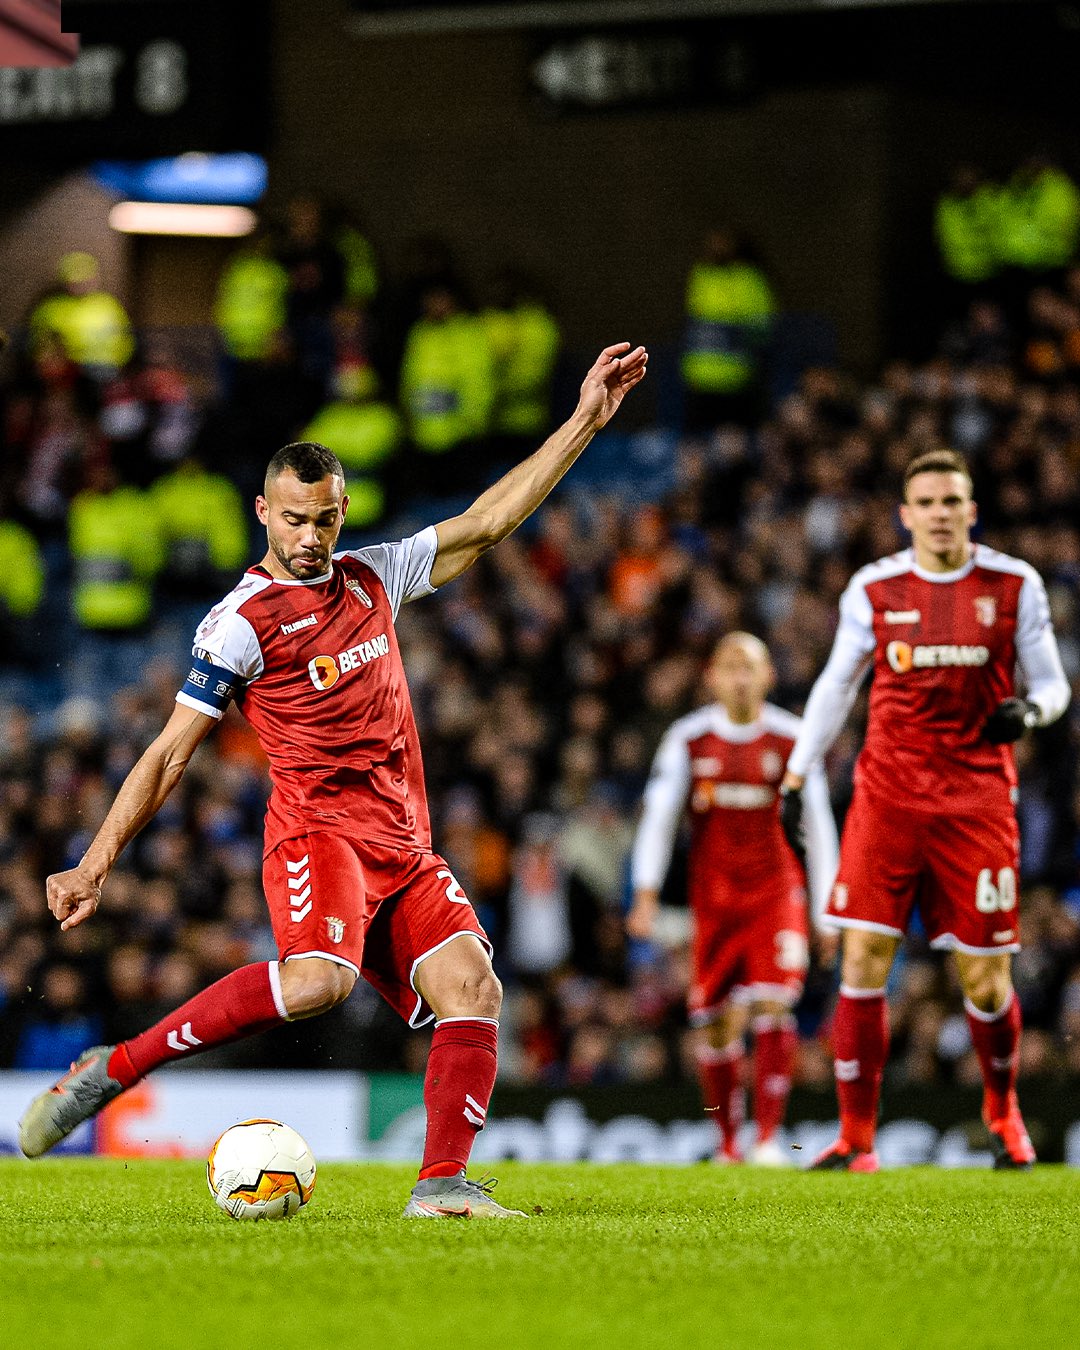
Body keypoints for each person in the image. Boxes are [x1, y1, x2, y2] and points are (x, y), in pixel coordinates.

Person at [19, 342, 649, 1219]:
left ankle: (441, 1189)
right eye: (293, 520)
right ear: (262, 513)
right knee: (320, 983)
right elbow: (168, 752)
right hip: (318, 836)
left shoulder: (372, 578)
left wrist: (584, 420)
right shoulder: (239, 624)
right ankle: (115, 1069)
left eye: (325, 519)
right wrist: (94, 863)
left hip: (403, 845)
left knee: (476, 988)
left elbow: (487, 522)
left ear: (343, 510)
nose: (311, 538)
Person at [779, 449, 1070, 1171]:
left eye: (953, 501)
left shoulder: (1013, 584)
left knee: (984, 977)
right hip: (889, 799)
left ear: (972, 510)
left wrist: (1030, 711)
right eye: (928, 503)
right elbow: (836, 684)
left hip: (977, 802)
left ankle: (1003, 1113)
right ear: (906, 516)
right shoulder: (875, 588)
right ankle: (857, 1137)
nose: (941, 513)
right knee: (865, 956)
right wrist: (797, 769)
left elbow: (1056, 684)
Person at [627, 633, 838, 1165]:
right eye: (730, 667)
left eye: (751, 668)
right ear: (712, 677)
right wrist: (645, 892)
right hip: (716, 901)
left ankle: (767, 1139)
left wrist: (825, 913)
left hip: (776, 894)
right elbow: (658, 816)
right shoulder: (689, 739)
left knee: (773, 1001)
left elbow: (818, 826)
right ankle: (727, 1145)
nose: (740, 678)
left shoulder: (792, 739)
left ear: (769, 676)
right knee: (716, 1022)